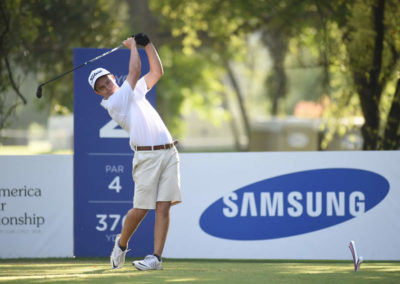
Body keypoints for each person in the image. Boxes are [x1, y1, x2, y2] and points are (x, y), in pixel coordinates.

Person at [88, 33, 182, 271]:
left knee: (163, 206)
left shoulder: (135, 91)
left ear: (111, 77)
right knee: (141, 209)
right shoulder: (114, 103)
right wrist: (132, 46)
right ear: (99, 93)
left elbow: (157, 72)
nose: (107, 87)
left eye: (107, 81)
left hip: (169, 152)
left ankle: (156, 259)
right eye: (101, 87)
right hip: (147, 157)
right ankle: (121, 245)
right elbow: (134, 71)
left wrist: (148, 43)